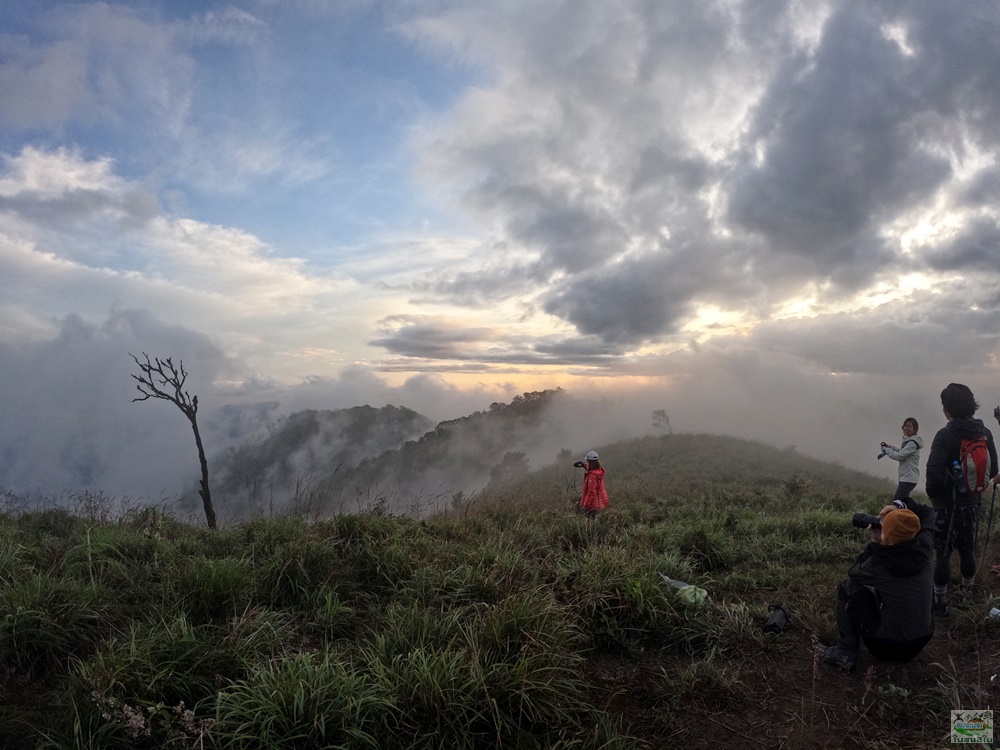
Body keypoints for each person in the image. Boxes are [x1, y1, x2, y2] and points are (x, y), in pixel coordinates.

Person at [822, 498, 936, 672]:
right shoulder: (925, 547)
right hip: (922, 640)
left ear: (888, 541)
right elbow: (928, 513)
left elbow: (853, 571)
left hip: (886, 647)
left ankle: (845, 652)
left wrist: (875, 542)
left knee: (847, 588)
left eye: (884, 531)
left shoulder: (879, 563)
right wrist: (899, 508)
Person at [925, 384, 999, 615]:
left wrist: (936, 498)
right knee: (967, 550)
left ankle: (940, 603)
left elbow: (934, 476)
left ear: (947, 408)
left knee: (943, 554)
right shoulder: (984, 432)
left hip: (946, 506)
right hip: (972, 504)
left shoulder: (945, 435)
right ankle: (967, 595)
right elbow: (993, 468)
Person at [880, 417, 923, 502]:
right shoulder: (909, 440)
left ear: (915, 429)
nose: (906, 428)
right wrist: (890, 447)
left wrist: (887, 450)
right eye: (905, 426)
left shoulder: (912, 443)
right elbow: (902, 451)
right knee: (902, 504)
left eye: (909, 426)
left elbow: (900, 456)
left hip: (908, 479)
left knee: (896, 503)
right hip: (906, 478)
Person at [574, 450, 609, 518]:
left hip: (592, 504)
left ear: (589, 461)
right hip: (597, 502)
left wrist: (585, 505)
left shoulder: (592, 476)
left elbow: (591, 492)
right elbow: (590, 468)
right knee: (594, 519)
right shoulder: (598, 470)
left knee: (590, 520)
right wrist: (583, 464)